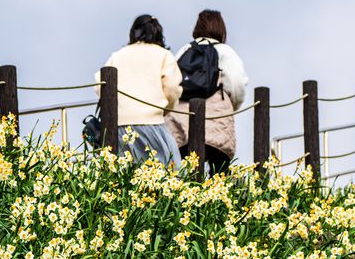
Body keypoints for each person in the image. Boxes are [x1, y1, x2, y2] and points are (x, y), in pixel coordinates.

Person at [166, 10, 249, 176]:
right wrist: (231, 107)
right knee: (220, 171)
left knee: (184, 171)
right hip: (216, 119)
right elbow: (237, 84)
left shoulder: (185, 50)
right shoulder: (226, 51)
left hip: (183, 119)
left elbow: (172, 81)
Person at [96, 14, 183, 166]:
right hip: (152, 124)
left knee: (125, 177)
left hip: (118, 126)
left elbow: (99, 85)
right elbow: (171, 87)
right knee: (171, 171)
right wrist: (166, 109)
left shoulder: (118, 55)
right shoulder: (164, 55)